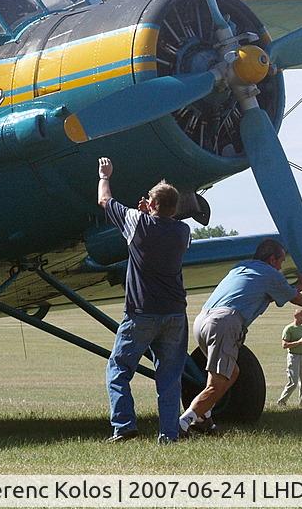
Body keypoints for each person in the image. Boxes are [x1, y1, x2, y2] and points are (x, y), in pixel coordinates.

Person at [179, 238, 302, 435]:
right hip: (225, 323)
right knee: (217, 383)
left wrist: (297, 285)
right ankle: (183, 423)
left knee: (233, 372)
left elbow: (274, 291)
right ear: (272, 259)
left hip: (202, 321)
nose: (281, 267)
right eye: (281, 262)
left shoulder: (242, 267)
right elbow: (299, 299)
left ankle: (204, 419)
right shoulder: (270, 273)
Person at [98, 157, 190, 444]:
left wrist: (105, 175)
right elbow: (159, 227)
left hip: (141, 312)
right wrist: (147, 214)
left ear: (150, 204)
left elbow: (104, 200)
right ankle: (169, 434)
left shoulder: (137, 223)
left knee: (118, 369)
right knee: (169, 378)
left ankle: (124, 425)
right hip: (175, 313)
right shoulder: (183, 232)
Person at [276, 308, 302, 407]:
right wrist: (299, 342)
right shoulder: (289, 329)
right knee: (293, 381)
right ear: (296, 316)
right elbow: (284, 345)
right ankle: (281, 401)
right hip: (293, 357)